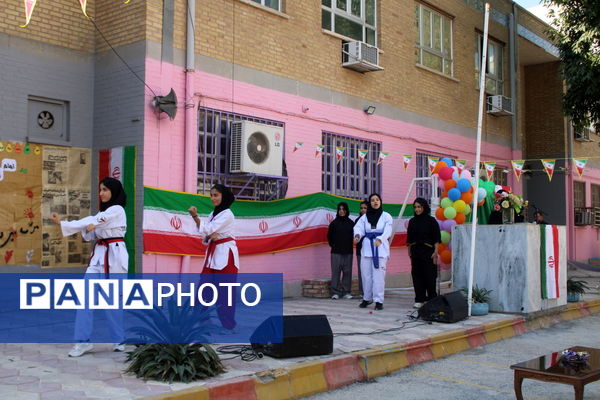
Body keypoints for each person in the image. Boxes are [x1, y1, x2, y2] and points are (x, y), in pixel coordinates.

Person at [51, 177, 128, 357]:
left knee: (111, 302)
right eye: (100, 190)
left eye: (105, 190)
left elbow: (94, 221)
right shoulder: (103, 213)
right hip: (98, 258)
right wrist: (87, 226)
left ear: (114, 191)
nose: (101, 193)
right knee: (84, 299)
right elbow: (89, 233)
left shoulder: (117, 210)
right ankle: (83, 341)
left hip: (114, 257)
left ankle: (119, 338)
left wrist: (64, 224)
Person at [188, 184, 240, 330]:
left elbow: (209, 229)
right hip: (213, 255)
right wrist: (209, 234)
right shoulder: (214, 213)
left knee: (225, 292)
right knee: (203, 288)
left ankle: (229, 325)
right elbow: (205, 233)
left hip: (226, 256)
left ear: (224, 196)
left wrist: (195, 216)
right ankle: (201, 319)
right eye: (211, 195)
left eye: (216, 195)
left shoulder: (227, 214)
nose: (213, 198)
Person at [353, 193, 393, 311]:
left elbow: (388, 229)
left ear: (380, 202)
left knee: (379, 276)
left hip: (380, 249)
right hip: (367, 248)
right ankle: (367, 298)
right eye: (372, 200)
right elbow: (358, 227)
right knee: (366, 275)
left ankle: (378, 301)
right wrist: (357, 236)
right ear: (370, 203)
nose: (375, 202)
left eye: (377, 200)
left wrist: (381, 239)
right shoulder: (364, 217)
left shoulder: (386, 216)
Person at [406, 198, 441, 309]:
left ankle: (431, 299)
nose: (417, 209)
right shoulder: (412, 221)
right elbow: (409, 239)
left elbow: (436, 238)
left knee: (430, 276)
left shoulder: (431, 221)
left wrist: (435, 252)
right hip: (416, 251)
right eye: (415, 207)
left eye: (419, 207)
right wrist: (409, 252)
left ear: (424, 207)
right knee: (417, 276)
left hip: (428, 251)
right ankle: (419, 299)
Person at [327, 202, 354, 299]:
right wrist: (334, 245)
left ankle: (346, 292)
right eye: (340, 209)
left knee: (347, 272)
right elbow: (329, 237)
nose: (341, 211)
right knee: (335, 272)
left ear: (346, 211)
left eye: (343, 209)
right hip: (336, 252)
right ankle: (335, 292)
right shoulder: (333, 223)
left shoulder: (351, 223)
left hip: (348, 252)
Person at [353, 201, 369, 297]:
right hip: (360, 250)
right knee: (361, 271)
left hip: (371, 250)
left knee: (370, 272)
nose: (363, 210)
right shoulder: (357, 220)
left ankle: (371, 291)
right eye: (361, 208)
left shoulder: (373, 219)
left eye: (365, 208)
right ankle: (362, 292)